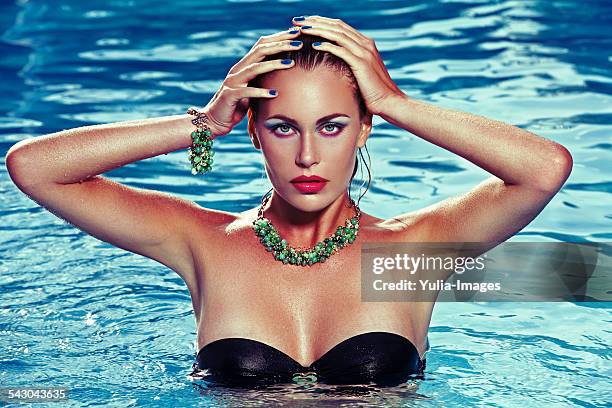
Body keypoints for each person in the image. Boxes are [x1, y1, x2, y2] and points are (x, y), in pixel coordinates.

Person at [5, 15, 573, 387]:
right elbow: (33, 168)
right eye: (282, 128)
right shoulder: (206, 243)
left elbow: (544, 170)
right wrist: (202, 123)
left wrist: (394, 102)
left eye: (331, 126)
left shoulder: (408, 255)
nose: (307, 156)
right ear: (252, 130)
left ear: (363, 129)